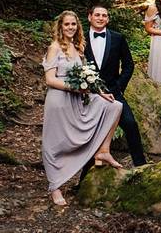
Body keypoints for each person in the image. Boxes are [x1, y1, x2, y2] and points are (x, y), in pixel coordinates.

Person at [41, 10, 122, 206]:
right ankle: (55, 187)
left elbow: (88, 77)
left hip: (78, 98)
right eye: (66, 24)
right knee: (55, 143)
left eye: (73, 25)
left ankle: (103, 150)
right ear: (60, 27)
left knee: (114, 106)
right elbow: (50, 80)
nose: (70, 28)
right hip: (59, 100)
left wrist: (100, 92)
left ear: (78, 27)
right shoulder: (55, 48)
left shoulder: (78, 48)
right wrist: (74, 88)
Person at [82, 5, 147, 168]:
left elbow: (128, 65)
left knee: (130, 124)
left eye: (104, 15)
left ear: (108, 19)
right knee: (91, 131)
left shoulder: (118, 38)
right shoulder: (80, 39)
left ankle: (142, 167)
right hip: (87, 94)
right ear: (90, 17)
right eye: (97, 15)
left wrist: (118, 86)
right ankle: (85, 179)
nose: (101, 18)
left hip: (113, 92)